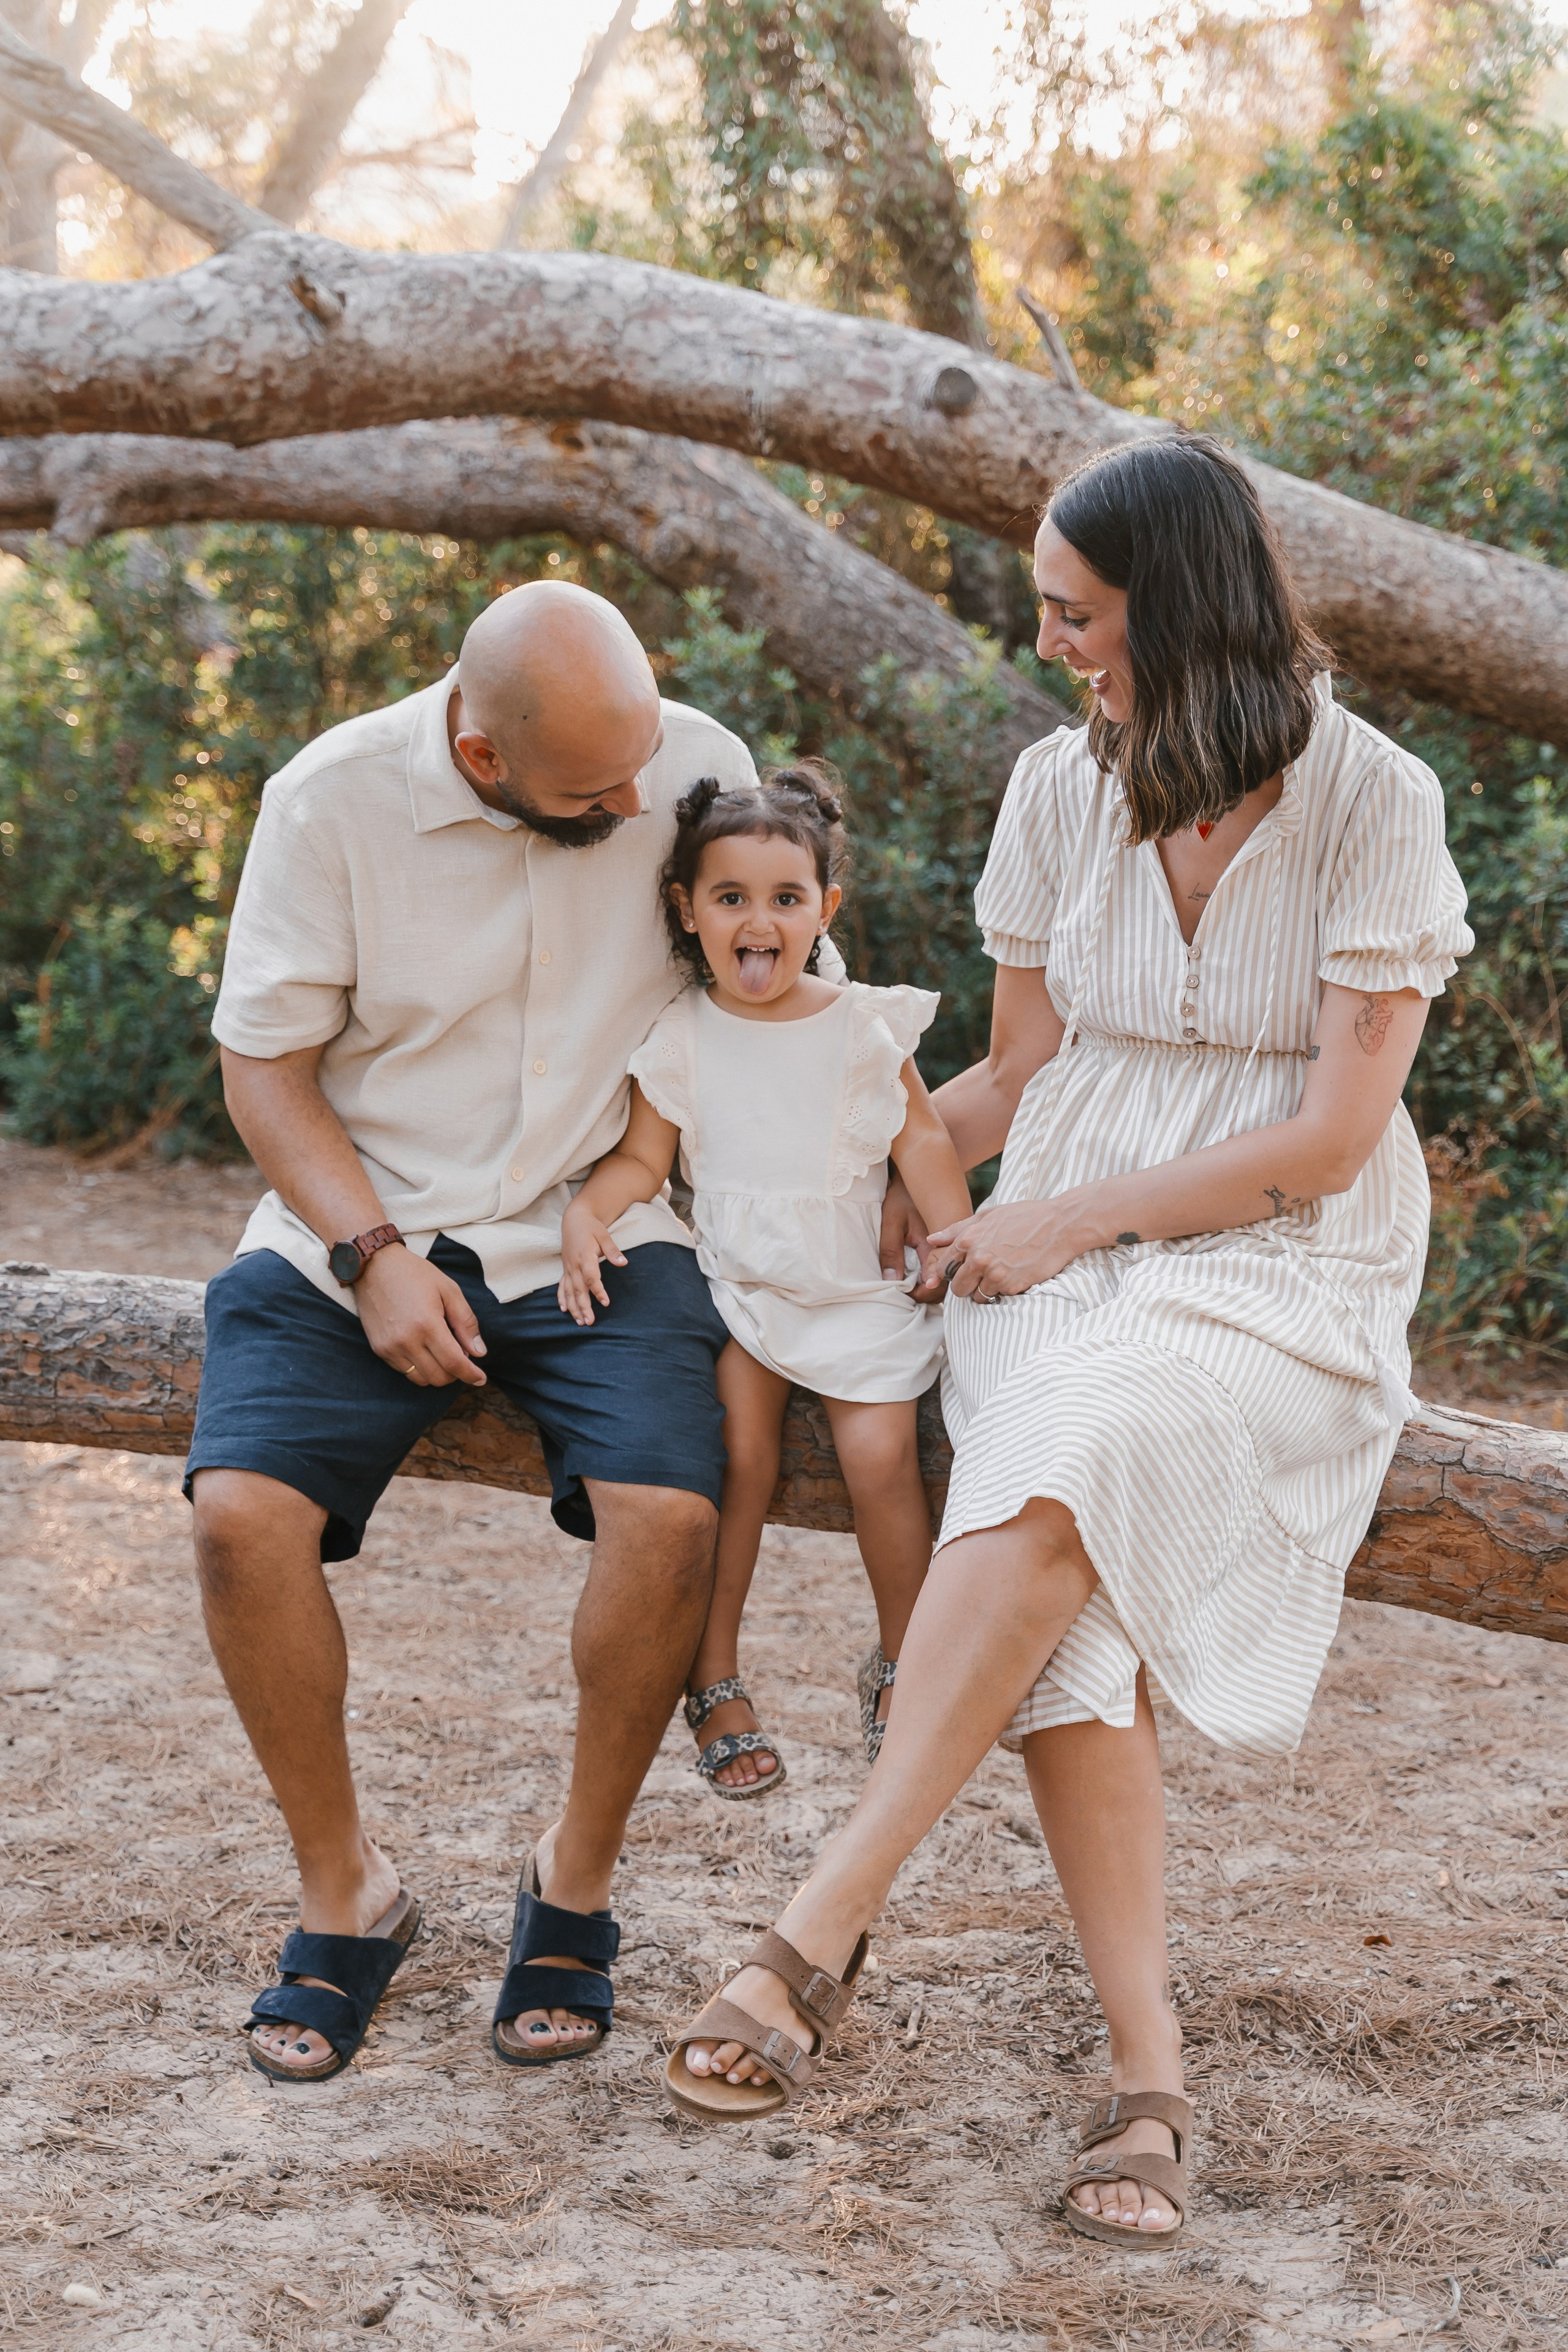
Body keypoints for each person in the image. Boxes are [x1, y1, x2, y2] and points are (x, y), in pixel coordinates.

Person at [662, 439, 1472, 2245]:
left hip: (1283, 1258)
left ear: (1176, 612)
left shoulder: (1375, 800)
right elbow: (1023, 1077)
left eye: (1076, 614)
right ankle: (1148, 2080)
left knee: (1081, 1443)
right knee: (1063, 1568)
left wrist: (1055, 1221)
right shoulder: (1055, 788)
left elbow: (1336, 1140)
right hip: (1057, 1240)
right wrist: (865, 1179)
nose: (1051, 644)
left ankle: (814, 1930)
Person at [187, 579, 845, 2084]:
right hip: (358, 1225)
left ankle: (577, 1876)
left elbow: (771, 996)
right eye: (592, 791)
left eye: (641, 766)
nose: (639, 802)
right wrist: (371, 1257)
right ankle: (345, 1886)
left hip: (596, 1224)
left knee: (669, 1521)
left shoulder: (683, 756)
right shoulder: (328, 802)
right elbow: (264, 1071)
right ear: (484, 755)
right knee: (236, 1522)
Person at [557, 765, 970, 1801]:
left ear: (824, 910)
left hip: (852, 1290)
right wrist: (585, 1210)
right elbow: (644, 1164)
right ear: (687, 910)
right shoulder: (684, 1037)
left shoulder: (862, 1026)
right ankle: (714, 1674)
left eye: (786, 899)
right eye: (730, 897)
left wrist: (957, 1244)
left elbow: (921, 1139)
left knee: (881, 1454)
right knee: (737, 1453)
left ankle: (902, 1664)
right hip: (742, 1290)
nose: (759, 921)